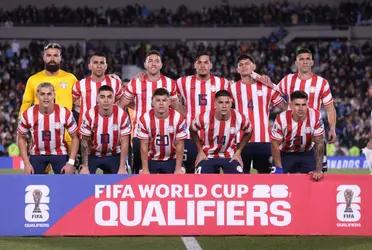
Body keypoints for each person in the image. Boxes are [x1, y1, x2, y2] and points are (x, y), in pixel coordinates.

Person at [277, 48, 337, 171]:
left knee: (318, 175)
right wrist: (286, 108)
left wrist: (332, 128)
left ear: (312, 62)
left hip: (314, 137)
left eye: (308, 59)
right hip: (290, 137)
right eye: (301, 59)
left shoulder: (322, 83)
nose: (305, 62)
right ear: (296, 62)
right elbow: (274, 96)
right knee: (288, 177)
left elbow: (330, 107)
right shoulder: (287, 80)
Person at [121, 50, 179, 174]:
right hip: (139, 134)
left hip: (166, 135)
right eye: (150, 61)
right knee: (139, 173)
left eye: (157, 61)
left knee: (166, 173)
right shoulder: (136, 82)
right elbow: (121, 105)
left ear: (161, 65)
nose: (153, 64)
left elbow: (176, 108)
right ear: (145, 64)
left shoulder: (170, 83)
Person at [230, 54, 287, 173]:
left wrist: (272, 85)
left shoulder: (267, 88)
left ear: (254, 66)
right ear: (237, 69)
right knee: (241, 179)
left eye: (247, 63)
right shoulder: (232, 88)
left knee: (265, 179)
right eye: (241, 64)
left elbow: (285, 107)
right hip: (240, 141)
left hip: (264, 141)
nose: (244, 66)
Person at [177, 51, 230, 173]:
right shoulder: (182, 82)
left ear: (211, 65)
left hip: (212, 137)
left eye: (206, 62)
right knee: (188, 172)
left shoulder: (222, 83)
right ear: (194, 65)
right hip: (190, 136)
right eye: (199, 62)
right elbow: (171, 101)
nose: (202, 65)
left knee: (211, 174)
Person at [17, 82, 79, 174]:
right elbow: (21, 138)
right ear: (37, 95)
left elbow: (75, 138)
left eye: (49, 94)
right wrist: (26, 163)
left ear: (54, 95)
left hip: (60, 153)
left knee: (66, 183)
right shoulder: (28, 114)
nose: (46, 97)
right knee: (33, 185)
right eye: (42, 94)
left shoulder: (64, 113)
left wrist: (70, 163)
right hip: (37, 154)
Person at [190, 90, 251, 174]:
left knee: (238, 180)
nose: (224, 106)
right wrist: (200, 151)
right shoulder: (204, 117)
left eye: (227, 102)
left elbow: (249, 131)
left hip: (230, 155)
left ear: (231, 103)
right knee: (201, 179)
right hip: (208, 155)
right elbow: (192, 130)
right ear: (215, 103)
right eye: (221, 102)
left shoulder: (239, 117)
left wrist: (238, 152)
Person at [271, 91, 325, 181]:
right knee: (277, 181)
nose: (301, 108)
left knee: (316, 180)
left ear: (307, 104)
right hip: (285, 154)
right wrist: (279, 168)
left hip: (307, 154)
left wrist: (318, 169)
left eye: (304, 105)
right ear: (291, 105)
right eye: (297, 105)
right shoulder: (281, 118)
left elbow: (319, 142)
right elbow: (275, 144)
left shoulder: (315, 116)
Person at [80, 85, 131, 174]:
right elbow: (84, 141)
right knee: (85, 179)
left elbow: (125, 141)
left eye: (109, 97)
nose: (106, 100)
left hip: (114, 154)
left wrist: (122, 167)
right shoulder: (90, 114)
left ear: (114, 99)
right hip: (93, 154)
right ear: (97, 99)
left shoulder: (122, 115)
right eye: (102, 97)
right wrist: (85, 166)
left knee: (120, 180)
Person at [136, 88, 188, 174]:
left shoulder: (178, 118)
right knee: (144, 177)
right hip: (151, 159)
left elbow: (180, 145)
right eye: (157, 100)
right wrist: (145, 169)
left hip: (172, 159)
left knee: (180, 175)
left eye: (164, 100)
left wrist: (178, 168)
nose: (161, 103)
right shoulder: (144, 119)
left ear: (169, 102)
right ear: (152, 103)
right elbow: (144, 146)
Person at [72, 52, 124, 127]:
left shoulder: (115, 82)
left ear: (106, 66)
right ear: (89, 66)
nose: (99, 66)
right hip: (86, 127)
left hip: (110, 127)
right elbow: (75, 102)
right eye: (95, 62)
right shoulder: (80, 84)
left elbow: (121, 101)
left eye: (102, 63)